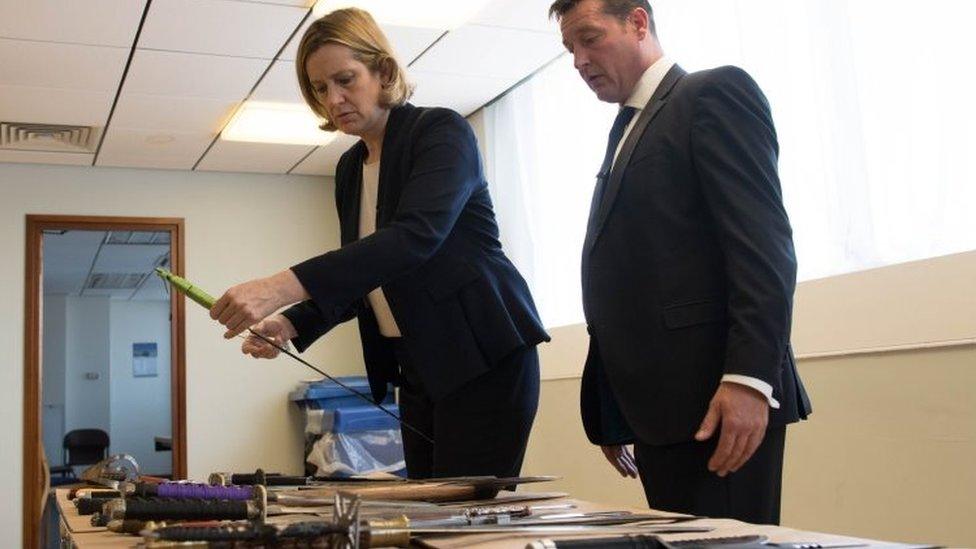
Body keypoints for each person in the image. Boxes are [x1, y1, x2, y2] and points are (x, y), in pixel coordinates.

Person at [209, 7, 549, 480]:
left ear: (384, 71)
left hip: (482, 356)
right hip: (417, 366)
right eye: (321, 89)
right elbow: (365, 274)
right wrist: (291, 322)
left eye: (346, 79)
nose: (335, 98)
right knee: (427, 514)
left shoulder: (441, 132)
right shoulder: (350, 169)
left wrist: (282, 285)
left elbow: (414, 238)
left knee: (462, 519)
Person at [550, 0, 812, 524]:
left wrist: (748, 380)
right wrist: (613, 411)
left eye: (589, 37)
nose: (578, 59)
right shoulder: (625, 128)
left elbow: (762, 247)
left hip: (716, 402)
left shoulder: (712, 94)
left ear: (638, 22)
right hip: (658, 413)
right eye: (569, 49)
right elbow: (632, 280)